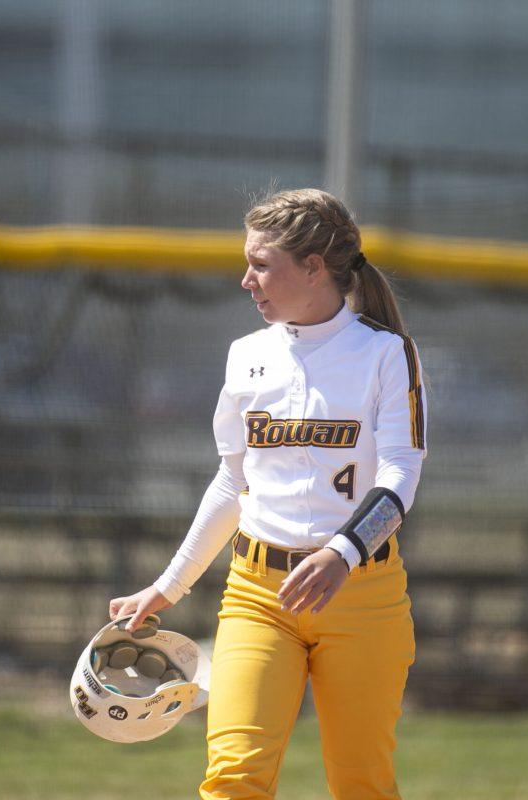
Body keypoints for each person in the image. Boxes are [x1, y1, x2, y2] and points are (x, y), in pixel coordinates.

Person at [109, 188, 427, 799]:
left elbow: (399, 478)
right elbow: (234, 480)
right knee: (233, 779)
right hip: (256, 593)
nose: (246, 280)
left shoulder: (386, 353)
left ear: (314, 267)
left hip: (362, 596)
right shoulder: (246, 357)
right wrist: (168, 586)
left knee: (362, 784)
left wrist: (343, 553)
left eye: (261, 264)